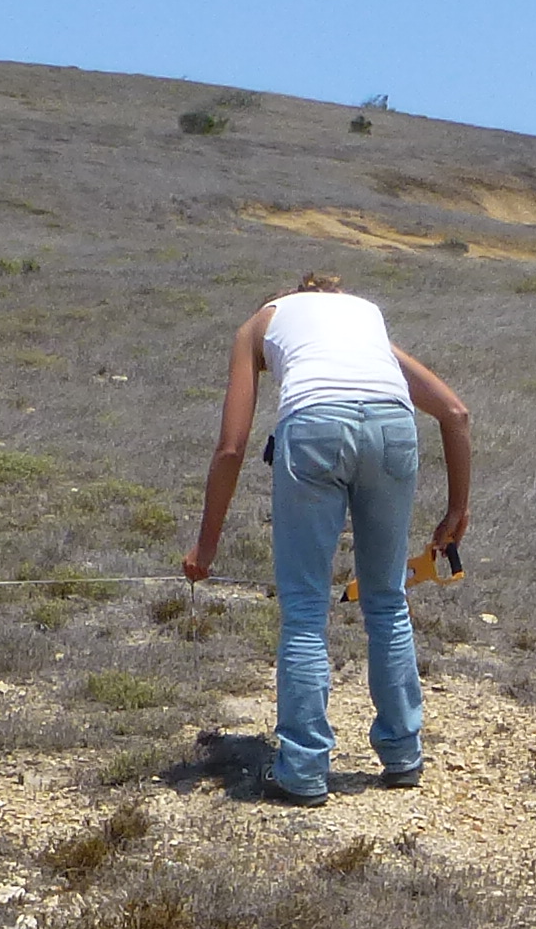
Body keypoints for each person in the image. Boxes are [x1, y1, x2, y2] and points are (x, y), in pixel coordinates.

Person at [181, 273, 473, 804]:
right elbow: (455, 413)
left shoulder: (258, 325)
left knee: (304, 608)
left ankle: (303, 768)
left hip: (314, 426)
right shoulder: (361, 320)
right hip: (393, 428)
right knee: (387, 599)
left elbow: (231, 448)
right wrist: (458, 508)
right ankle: (403, 755)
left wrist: (206, 546)